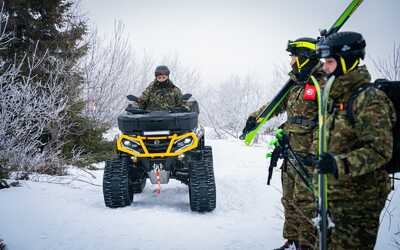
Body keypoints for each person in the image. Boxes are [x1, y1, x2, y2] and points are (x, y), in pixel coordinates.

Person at [315, 31, 396, 249]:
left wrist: (338, 164)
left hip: (359, 204)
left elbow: (380, 150)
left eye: (329, 62)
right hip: (336, 200)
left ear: (346, 62)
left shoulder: (369, 100)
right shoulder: (337, 97)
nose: (325, 67)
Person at [242, 37, 325, 250]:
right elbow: (275, 105)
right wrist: (254, 118)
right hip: (291, 154)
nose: (291, 61)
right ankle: (292, 240)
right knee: (289, 200)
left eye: (294, 57)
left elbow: (327, 122)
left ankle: (307, 246)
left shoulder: (322, 83)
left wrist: (315, 152)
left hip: (308, 157)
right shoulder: (296, 85)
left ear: (305, 58)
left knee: (306, 204)